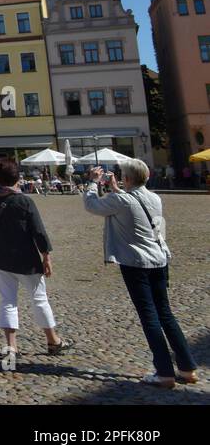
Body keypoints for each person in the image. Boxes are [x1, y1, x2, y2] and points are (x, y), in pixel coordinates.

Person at [82, 160, 198, 388]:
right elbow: (133, 206)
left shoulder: (121, 200)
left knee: (149, 316)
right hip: (159, 258)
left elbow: (92, 205)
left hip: (136, 262)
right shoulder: (155, 197)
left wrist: (92, 183)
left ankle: (164, 372)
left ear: (127, 179)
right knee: (166, 313)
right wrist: (116, 189)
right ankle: (187, 368)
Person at [0, 156, 69, 370]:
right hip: (25, 259)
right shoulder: (24, 201)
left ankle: (11, 346)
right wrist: (46, 256)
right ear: (18, 177)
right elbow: (38, 231)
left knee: (7, 300)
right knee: (39, 298)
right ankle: (53, 340)